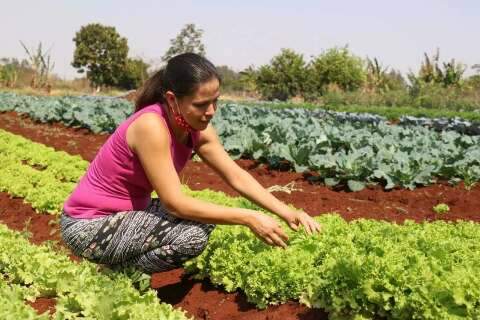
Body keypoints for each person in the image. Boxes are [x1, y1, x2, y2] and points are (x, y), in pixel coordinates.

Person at [60, 53, 321, 274]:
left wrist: (288, 213)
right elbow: (175, 203)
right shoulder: (152, 126)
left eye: (215, 101)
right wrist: (248, 217)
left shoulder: (197, 128)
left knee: (204, 221)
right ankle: (118, 274)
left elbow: (236, 176)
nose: (211, 111)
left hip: (124, 216)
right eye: (201, 104)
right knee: (192, 236)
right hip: (89, 225)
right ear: (173, 99)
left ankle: (115, 270)